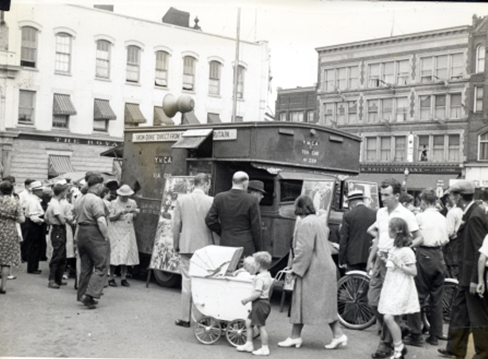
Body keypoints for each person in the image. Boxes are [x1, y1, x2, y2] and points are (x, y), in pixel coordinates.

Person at [278, 195, 346, 350]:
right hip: (324, 266)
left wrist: (296, 268)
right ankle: (336, 334)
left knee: (300, 301)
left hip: (312, 268)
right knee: (324, 304)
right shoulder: (318, 221)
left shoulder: (305, 223)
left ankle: (296, 336)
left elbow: (304, 249)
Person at [366, 178, 422, 359]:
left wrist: (403, 250)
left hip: (395, 265)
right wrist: (371, 259)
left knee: (390, 307)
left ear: (397, 195)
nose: (383, 198)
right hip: (381, 260)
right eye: (381, 195)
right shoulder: (381, 213)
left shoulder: (406, 214)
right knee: (373, 301)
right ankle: (398, 329)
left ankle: (386, 344)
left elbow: (419, 237)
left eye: (387, 195)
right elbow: (377, 236)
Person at [438, 180, 488, 359]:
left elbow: (479, 250)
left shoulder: (474, 216)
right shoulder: (471, 212)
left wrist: (476, 279)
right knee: (459, 313)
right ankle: (455, 348)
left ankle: (483, 353)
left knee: (478, 317)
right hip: (465, 275)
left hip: (470, 276)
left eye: (452, 195)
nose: (450, 199)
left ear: (459, 197)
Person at [405, 188, 448, 347]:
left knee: (417, 296)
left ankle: (415, 333)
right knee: (436, 299)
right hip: (439, 255)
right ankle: (435, 334)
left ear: (423, 202)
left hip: (424, 254)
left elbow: (413, 236)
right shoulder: (442, 217)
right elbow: (446, 238)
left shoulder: (420, 216)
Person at [172, 173, 214, 328]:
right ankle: (203, 317)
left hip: (187, 245)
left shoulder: (181, 200)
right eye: (208, 184)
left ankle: (184, 318)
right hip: (205, 246)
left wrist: (176, 243)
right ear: (205, 184)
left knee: (187, 281)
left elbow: (176, 225)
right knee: (204, 282)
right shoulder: (211, 201)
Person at [379, 217, 420, 359]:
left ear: (396, 231)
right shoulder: (394, 248)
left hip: (402, 286)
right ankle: (398, 348)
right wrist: (386, 260)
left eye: (389, 228)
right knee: (393, 318)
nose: (387, 231)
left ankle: (399, 347)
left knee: (388, 317)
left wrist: (399, 264)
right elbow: (393, 266)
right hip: (392, 285)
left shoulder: (407, 251)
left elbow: (414, 272)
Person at [205, 171, 262, 257]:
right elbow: (256, 228)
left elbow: (209, 220)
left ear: (232, 182)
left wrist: (223, 231)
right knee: (244, 270)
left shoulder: (219, 197)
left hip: (226, 243)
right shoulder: (252, 200)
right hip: (246, 246)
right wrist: (258, 249)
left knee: (227, 268)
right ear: (245, 184)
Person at [74, 173, 110, 309]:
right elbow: (100, 220)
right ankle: (90, 295)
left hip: (81, 232)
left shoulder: (80, 199)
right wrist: (105, 236)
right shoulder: (95, 200)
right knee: (101, 265)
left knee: (86, 267)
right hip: (93, 232)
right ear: (99, 185)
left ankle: (82, 294)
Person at [236, 251, 273, 356]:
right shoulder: (267, 275)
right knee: (248, 322)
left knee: (260, 326)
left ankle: (265, 348)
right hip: (263, 303)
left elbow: (257, 293)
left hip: (259, 303)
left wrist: (247, 299)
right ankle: (248, 344)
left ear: (257, 265)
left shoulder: (260, 278)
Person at [107, 184, 140, 287]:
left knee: (125, 254)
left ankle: (123, 277)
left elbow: (134, 218)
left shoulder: (132, 203)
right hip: (115, 231)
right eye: (123, 196)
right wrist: (119, 213)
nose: (125, 198)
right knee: (115, 254)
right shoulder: (113, 203)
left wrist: (136, 214)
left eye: (127, 196)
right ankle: (111, 277)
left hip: (127, 231)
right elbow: (110, 218)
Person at [339, 190, 376, 272]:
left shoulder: (348, 215)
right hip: (369, 255)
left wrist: (342, 259)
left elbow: (344, 239)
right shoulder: (374, 213)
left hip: (352, 257)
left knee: (352, 282)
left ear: (352, 203)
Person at [0, 180, 25, 294]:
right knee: (6, 260)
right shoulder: (15, 202)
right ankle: (3, 286)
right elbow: (22, 219)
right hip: (9, 231)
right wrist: (12, 217)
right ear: (12, 190)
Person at [45, 183, 69, 289]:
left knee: (62, 254)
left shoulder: (52, 203)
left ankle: (58, 278)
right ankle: (52, 279)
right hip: (58, 229)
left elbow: (46, 218)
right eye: (66, 191)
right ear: (62, 192)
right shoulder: (56, 205)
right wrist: (67, 218)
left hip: (56, 229)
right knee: (58, 254)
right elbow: (62, 221)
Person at [23, 180, 46, 274]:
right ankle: (32, 267)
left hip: (36, 225)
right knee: (34, 246)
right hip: (35, 226)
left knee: (36, 246)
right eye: (40, 190)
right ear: (36, 191)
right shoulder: (33, 201)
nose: (42, 192)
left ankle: (34, 266)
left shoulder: (35, 200)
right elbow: (33, 217)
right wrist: (43, 221)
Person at [443, 191, 463, 279]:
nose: (447, 201)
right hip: (461, 241)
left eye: (449, 198)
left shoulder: (452, 212)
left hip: (453, 243)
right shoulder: (462, 211)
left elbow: (449, 231)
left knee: (452, 268)